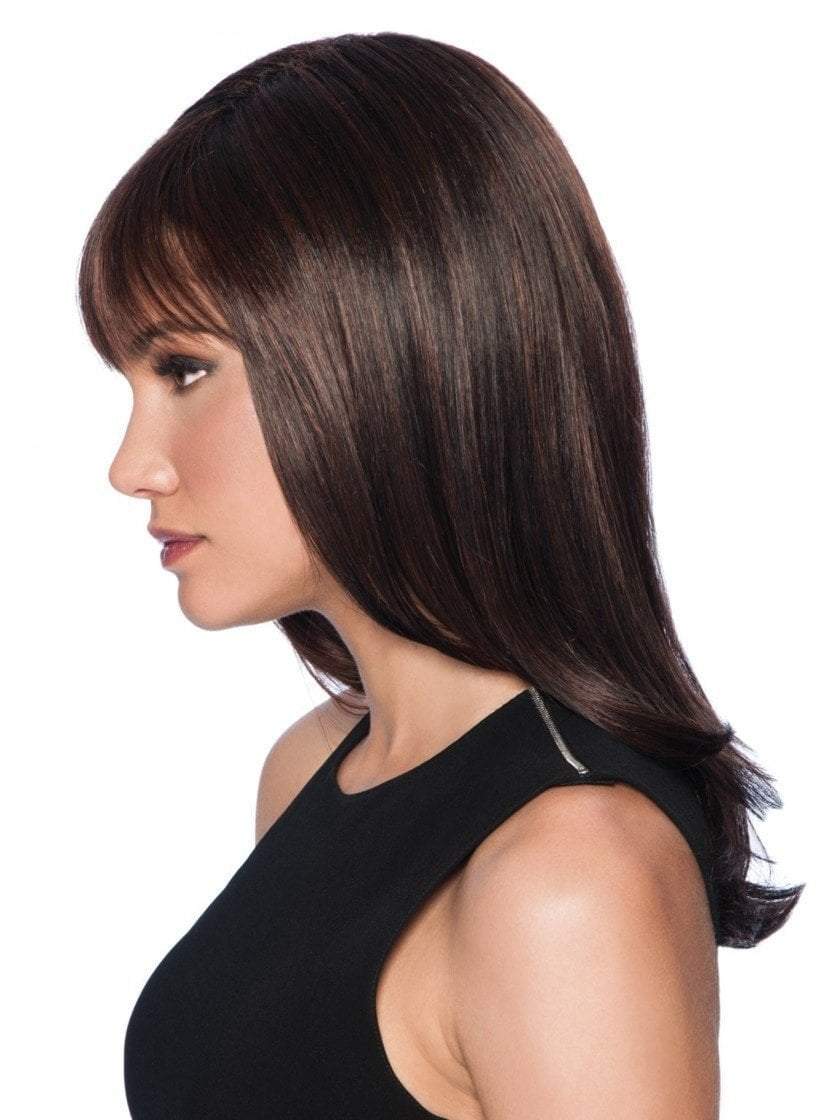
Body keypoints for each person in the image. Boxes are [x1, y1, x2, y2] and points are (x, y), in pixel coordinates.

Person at [78, 31, 803, 1120]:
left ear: (387, 350)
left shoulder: (567, 872)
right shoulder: (315, 770)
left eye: (185, 368)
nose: (132, 464)